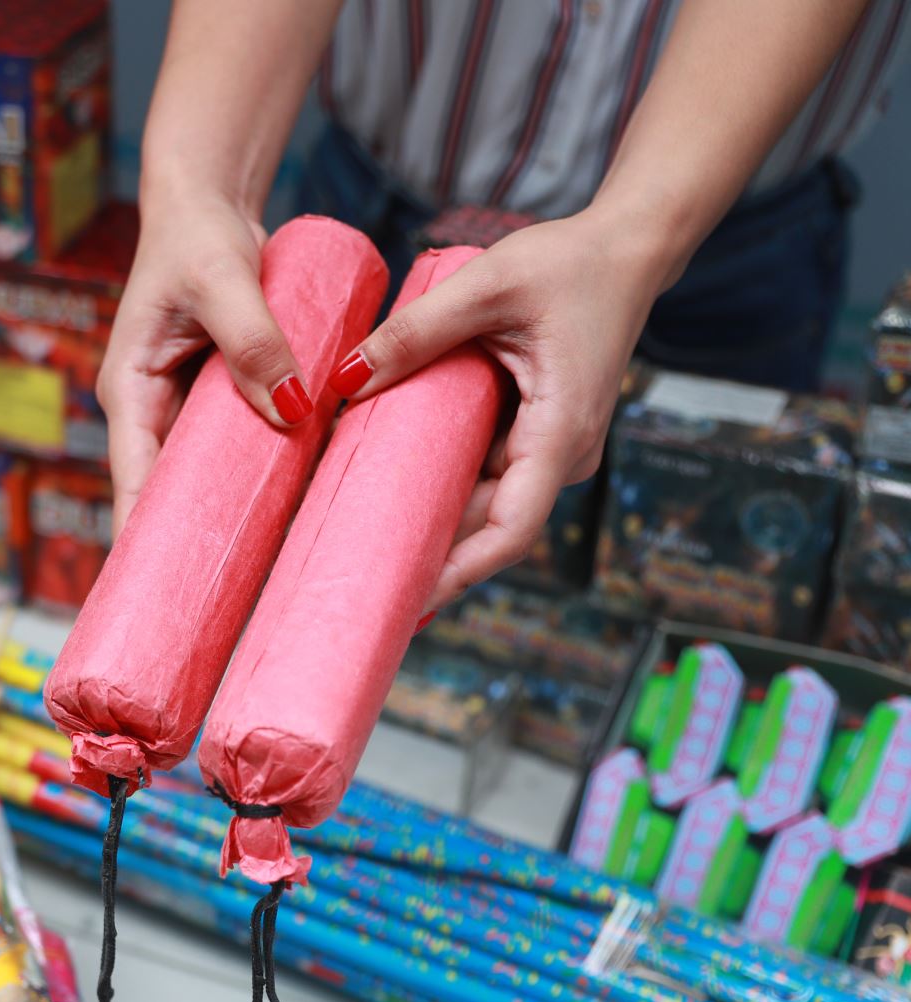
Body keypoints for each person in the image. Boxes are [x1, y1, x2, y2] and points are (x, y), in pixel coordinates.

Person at [102, 0, 908, 616]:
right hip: (367, 226)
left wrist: (632, 243)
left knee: (694, 605)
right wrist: (196, 184)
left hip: (721, 250)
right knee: (317, 607)